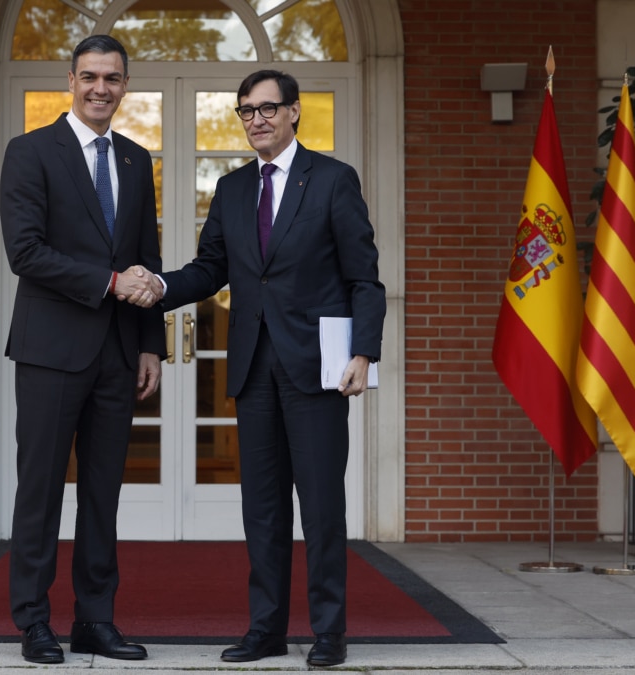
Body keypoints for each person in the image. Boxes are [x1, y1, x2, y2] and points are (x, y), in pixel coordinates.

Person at [154, 70, 386, 667]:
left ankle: (329, 631)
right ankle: (267, 631)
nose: (256, 119)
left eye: (266, 109)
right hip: (253, 368)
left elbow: (365, 277)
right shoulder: (231, 189)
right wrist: (157, 286)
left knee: (321, 506)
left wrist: (365, 353)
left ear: (293, 113)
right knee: (262, 509)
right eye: (245, 111)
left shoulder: (333, 180)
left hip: (318, 369)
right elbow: (212, 270)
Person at [0, 34, 165, 665]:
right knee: (39, 489)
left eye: (113, 78)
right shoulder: (30, 152)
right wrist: (108, 283)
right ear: (70, 79)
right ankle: (33, 621)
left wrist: (150, 344)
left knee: (103, 491)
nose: (102, 88)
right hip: (50, 350)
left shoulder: (134, 159)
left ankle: (95, 618)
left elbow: (145, 257)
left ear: (125, 85)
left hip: (119, 354)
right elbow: (27, 253)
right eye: (90, 76)